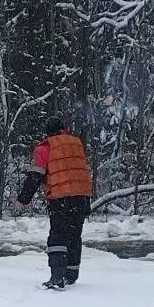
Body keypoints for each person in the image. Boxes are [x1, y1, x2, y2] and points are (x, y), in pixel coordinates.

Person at [15, 116, 92, 290]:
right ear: (63, 129)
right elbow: (81, 173)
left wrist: (23, 199)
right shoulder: (76, 144)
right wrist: (87, 202)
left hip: (61, 198)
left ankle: (57, 278)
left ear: (47, 132)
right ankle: (71, 275)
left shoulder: (45, 147)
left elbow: (35, 176)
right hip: (82, 196)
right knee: (74, 235)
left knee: (58, 236)